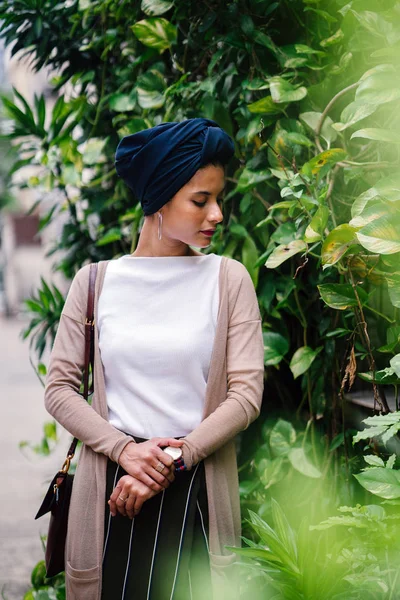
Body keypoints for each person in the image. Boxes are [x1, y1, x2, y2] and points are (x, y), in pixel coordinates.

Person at [44, 117, 265, 600]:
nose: (217, 215)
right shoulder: (96, 283)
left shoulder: (228, 281)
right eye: (201, 201)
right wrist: (125, 450)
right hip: (112, 493)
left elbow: (245, 396)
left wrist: (173, 459)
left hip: (196, 489)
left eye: (217, 200)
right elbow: (59, 389)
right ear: (160, 198)